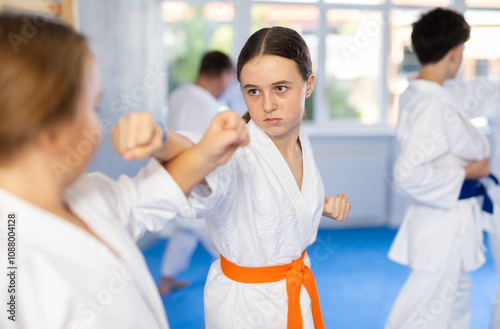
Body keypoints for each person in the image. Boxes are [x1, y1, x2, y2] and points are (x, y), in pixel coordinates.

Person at [0, 13, 248, 329]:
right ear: (52, 131)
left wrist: (173, 140)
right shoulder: (14, 273)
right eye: (94, 108)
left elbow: (160, 189)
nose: (98, 126)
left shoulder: (87, 198)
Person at [181, 26, 352, 328]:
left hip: (294, 291)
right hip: (246, 309)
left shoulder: (299, 140)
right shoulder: (235, 153)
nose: (267, 105)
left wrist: (317, 205)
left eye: (281, 88)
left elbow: (279, 201)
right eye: (253, 91)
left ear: (308, 84)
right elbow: (206, 181)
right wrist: (164, 142)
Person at [386, 8, 496, 329]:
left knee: (454, 303)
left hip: (451, 221)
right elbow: (407, 174)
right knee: (420, 314)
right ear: (455, 53)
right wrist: (467, 173)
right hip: (441, 226)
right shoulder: (430, 103)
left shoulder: (424, 92)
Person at [159, 51, 234, 295]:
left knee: (185, 230)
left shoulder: (179, 94)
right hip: (195, 184)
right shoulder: (207, 106)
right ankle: (234, 290)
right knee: (226, 245)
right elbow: (205, 151)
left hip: (175, 179)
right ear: (223, 76)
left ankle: (166, 280)